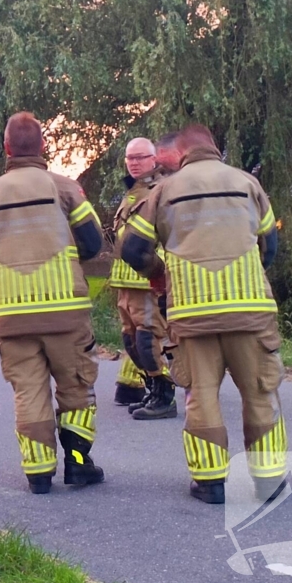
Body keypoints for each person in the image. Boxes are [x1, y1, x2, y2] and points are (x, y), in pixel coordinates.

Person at [121, 125, 286, 505]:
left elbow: (133, 249)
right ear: (213, 149)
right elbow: (270, 244)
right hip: (250, 312)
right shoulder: (247, 184)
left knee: (201, 394)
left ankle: (210, 482)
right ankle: (269, 481)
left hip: (193, 313)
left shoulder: (163, 192)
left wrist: (160, 276)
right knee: (260, 393)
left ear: (178, 155)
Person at [0, 112, 105, 494]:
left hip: (12, 315)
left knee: (29, 393)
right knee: (76, 389)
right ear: (43, 145)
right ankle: (78, 465)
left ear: (7, 147)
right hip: (65, 312)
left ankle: (38, 473)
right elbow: (93, 243)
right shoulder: (65, 188)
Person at [108, 137, 177, 419]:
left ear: (154, 159)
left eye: (140, 157)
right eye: (130, 158)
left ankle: (165, 397)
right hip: (126, 282)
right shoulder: (133, 191)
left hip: (148, 282)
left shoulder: (162, 190)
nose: (134, 163)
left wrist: (159, 275)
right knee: (132, 343)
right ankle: (151, 390)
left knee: (149, 342)